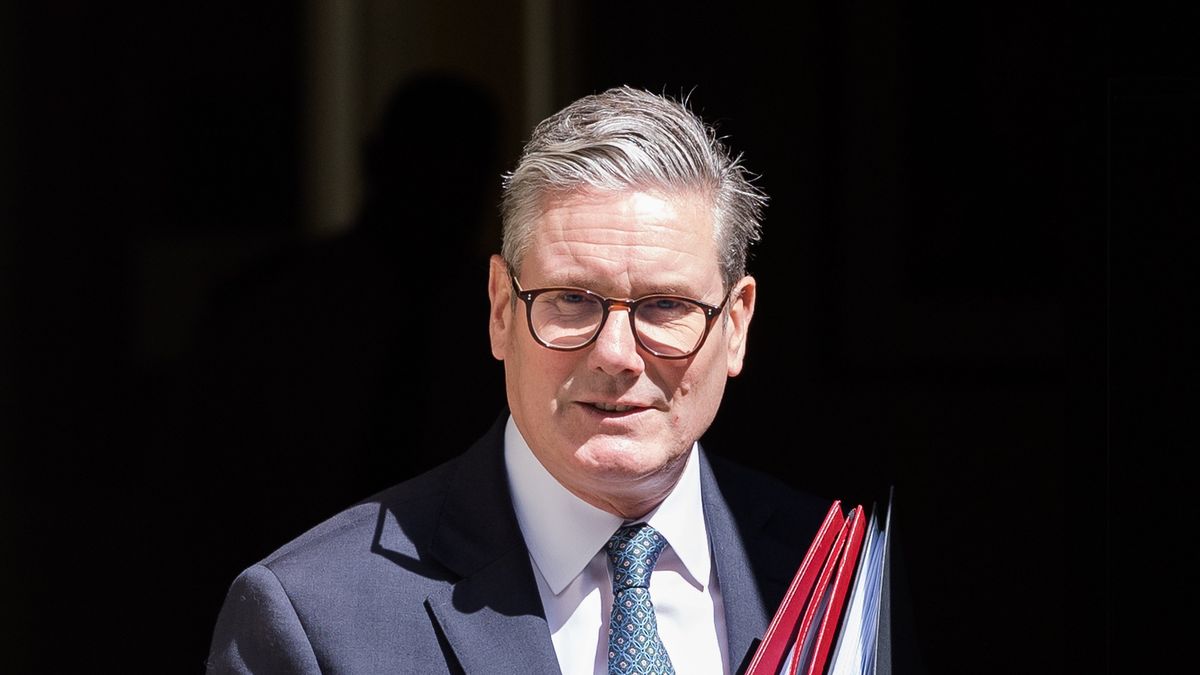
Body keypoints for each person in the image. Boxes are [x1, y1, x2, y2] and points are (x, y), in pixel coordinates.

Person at [207, 86, 831, 674]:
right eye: (571, 300)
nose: (616, 356)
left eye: (666, 306)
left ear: (737, 324)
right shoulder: (314, 617)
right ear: (501, 310)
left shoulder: (835, 566)